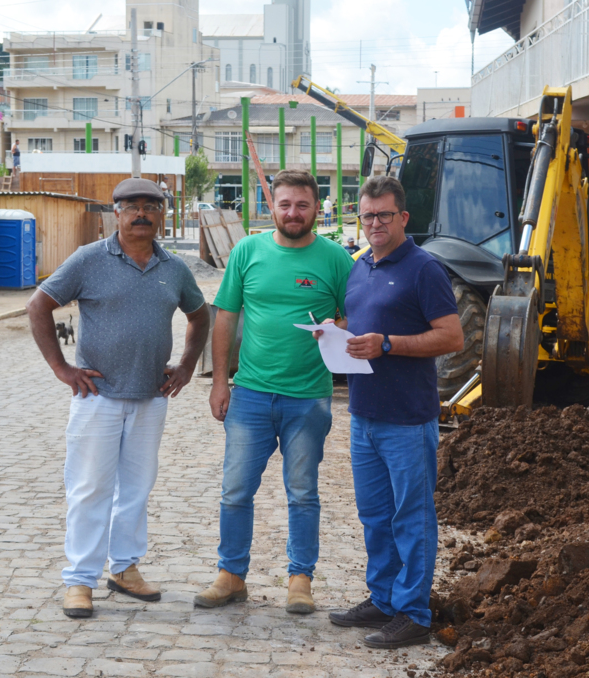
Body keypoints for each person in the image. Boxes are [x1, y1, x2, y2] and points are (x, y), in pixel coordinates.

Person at [26, 178, 210, 619]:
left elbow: (200, 315)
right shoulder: (89, 260)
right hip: (98, 396)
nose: (142, 213)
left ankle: (125, 569)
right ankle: (79, 581)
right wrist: (61, 368)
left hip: (151, 397)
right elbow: (38, 305)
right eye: (132, 207)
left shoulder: (175, 268)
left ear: (163, 215)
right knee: (90, 488)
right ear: (116, 214)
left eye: (151, 206)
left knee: (136, 488)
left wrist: (186, 366)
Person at [194, 169, 354, 615]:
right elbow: (225, 316)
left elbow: (356, 315)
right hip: (250, 395)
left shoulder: (336, 259)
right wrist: (221, 381)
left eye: (302, 205)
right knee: (235, 489)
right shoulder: (248, 251)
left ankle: (300, 580)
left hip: (309, 397)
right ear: (272, 207)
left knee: (303, 492)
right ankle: (231, 576)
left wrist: (334, 327)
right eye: (285, 204)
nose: (293, 212)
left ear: (316, 209)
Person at [326, 175, 462, 648]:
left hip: (408, 419)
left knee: (412, 517)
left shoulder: (425, 269)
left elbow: (452, 337)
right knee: (375, 515)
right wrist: (334, 333)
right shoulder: (359, 267)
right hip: (364, 416)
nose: (375, 223)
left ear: (403, 217)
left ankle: (414, 613)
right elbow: (362, 324)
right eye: (367, 215)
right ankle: (383, 598)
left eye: (385, 214)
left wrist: (388, 344)